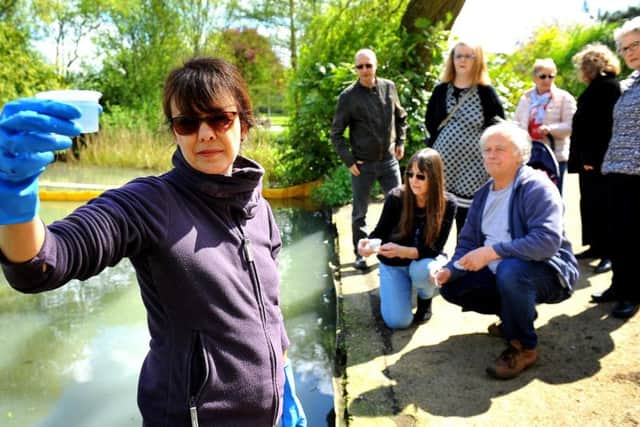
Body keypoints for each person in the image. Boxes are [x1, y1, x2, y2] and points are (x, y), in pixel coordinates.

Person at [0, 58, 306, 427]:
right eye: (187, 123)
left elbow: (269, 309)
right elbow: (47, 261)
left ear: (243, 122)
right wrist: (15, 205)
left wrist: (283, 380)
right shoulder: (152, 204)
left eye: (219, 118)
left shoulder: (260, 210)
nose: (205, 133)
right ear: (175, 131)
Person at [434, 121, 578, 380]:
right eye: (487, 149)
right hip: (503, 272)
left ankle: (523, 346)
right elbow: (467, 244)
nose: (491, 154)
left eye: (500, 148)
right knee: (452, 286)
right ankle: (514, 317)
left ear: (521, 154)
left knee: (511, 271)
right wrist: (449, 270)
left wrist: (491, 253)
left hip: (548, 271)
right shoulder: (483, 195)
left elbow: (546, 241)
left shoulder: (536, 187)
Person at [356, 148, 456, 329]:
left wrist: (404, 251)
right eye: (410, 174)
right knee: (398, 322)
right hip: (394, 263)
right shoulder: (396, 197)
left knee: (422, 271)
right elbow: (380, 232)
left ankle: (425, 299)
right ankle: (394, 290)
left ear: (434, 177)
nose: (413, 180)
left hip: (425, 260)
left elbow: (435, 247)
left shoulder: (448, 204)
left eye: (420, 176)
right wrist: (366, 245)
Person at [331, 48, 408, 271]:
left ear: (376, 66)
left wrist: (401, 142)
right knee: (359, 213)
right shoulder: (348, 97)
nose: (365, 70)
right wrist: (349, 161)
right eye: (360, 66)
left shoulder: (389, 87)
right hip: (362, 165)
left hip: (389, 162)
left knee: (401, 207)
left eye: (368, 65)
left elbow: (401, 117)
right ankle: (361, 253)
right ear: (356, 69)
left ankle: (397, 248)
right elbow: (336, 133)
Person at [425, 40, 505, 235]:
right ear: (452, 60)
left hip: (473, 167)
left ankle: (464, 258)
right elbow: (430, 122)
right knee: (438, 212)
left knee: (466, 216)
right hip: (444, 163)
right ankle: (434, 256)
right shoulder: (441, 90)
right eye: (458, 55)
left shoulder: (486, 92)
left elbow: (499, 126)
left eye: (468, 56)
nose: (462, 60)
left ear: (477, 61)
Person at [591, 16, 640, 319]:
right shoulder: (630, 82)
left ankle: (632, 293)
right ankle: (618, 286)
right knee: (616, 232)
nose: (630, 52)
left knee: (634, 235)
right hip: (617, 167)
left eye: (636, 44)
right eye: (624, 48)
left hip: (638, 171)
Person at [568, 43, 621, 275]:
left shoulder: (607, 87)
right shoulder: (598, 86)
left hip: (599, 158)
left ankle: (608, 252)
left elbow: (602, 127)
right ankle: (595, 246)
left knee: (604, 205)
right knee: (589, 203)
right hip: (589, 158)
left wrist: (591, 157)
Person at [514, 58, 577, 194]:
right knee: (528, 193)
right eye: (543, 76)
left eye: (551, 76)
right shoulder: (526, 98)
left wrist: (550, 129)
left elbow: (571, 126)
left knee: (552, 194)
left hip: (554, 155)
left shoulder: (564, 98)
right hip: (529, 154)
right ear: (534, 78)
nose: (547, 80)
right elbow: (517, 123)